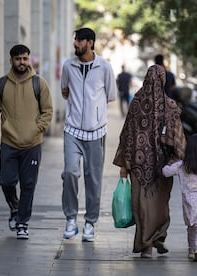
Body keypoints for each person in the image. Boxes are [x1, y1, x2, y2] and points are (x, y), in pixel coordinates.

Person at [113, 64, 186, 258]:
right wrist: (180, 157)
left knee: (142, 207)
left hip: (138, 165)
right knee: (160, 205)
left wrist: (124, 164)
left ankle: (148, 244)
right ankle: (157, 236)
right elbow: (178, 137)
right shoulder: (169, 105)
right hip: (163, 168)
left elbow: (126, 135)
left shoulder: (136, 102)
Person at [0, 44, 53, 239]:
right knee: (6, 181)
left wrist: (36, 129)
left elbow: (47, 112)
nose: (21, 62)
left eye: (24, 58)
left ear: (28, 59)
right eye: (18, 59)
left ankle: (22, 222)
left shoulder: (39, 84)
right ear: (11, 61)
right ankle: (15, 207)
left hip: (32, 144)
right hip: (8, 143)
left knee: (28, 184)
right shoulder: (2, 84)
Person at [61, 27, 117, 242]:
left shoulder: (104, 67)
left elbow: (110, 95)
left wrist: (94, 113)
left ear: (90, 43)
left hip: (96, 132)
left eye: (79, 40)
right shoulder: (68, 65)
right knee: (70, 172)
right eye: (74, 39)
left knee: (93, 180)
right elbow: (64, 91)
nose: (75, 43)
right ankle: (71, 219)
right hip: (72, 130)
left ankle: (90, 223)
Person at [162, 134, 197, 262]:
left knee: (192, 226)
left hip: (189, 204)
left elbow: (166, 172)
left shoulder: (182, 165)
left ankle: (191, 250)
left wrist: (168, 164)